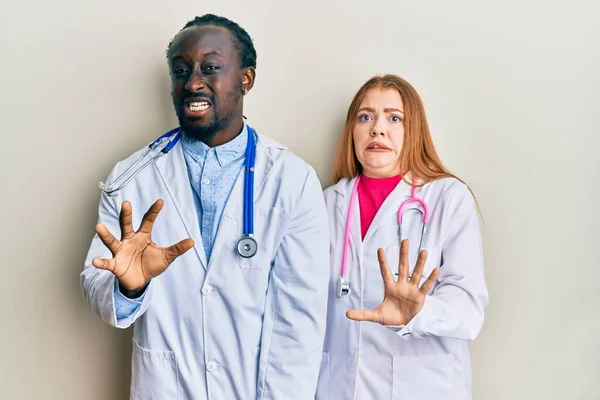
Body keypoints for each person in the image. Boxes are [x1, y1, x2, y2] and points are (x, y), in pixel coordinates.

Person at [80, 14, 330, 400]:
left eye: (210, 68)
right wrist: (129, 288)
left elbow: (299, 323)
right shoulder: (131, 176)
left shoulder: (292, 180)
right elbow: (96, 284)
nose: (193, 82)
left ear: (246, 78)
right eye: (181, 70)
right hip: (165, 388)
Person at [315, 74, 489, 400]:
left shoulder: (448, 197)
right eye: (365, 117)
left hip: (423, 387)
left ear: (413, 132)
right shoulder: (326, 203)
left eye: (394, 118)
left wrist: (419, 311)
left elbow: (469, 308)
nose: (377, 128)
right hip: (339, 385)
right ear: (352, 130)